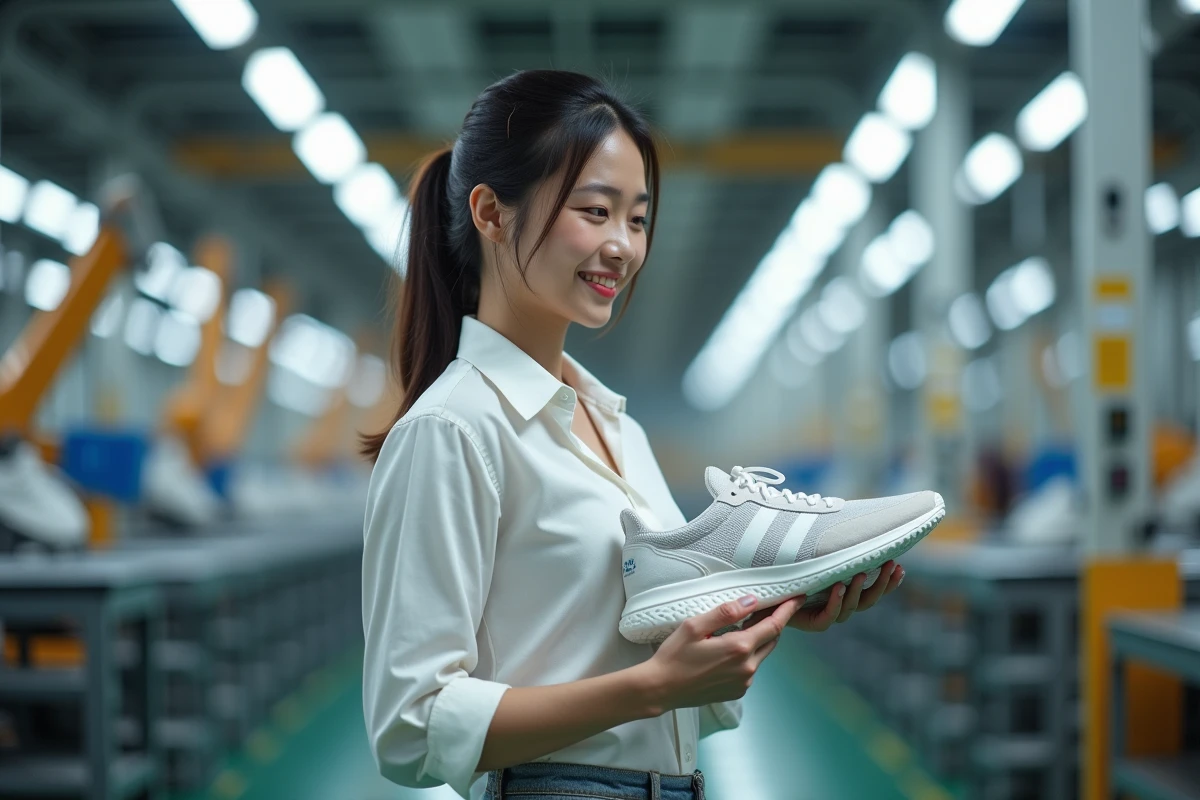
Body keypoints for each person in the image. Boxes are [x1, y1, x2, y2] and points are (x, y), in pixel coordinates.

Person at [359, 69, 905, 800]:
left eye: (638, 220)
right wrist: (650, 689)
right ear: (490, 213)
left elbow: (639, 643)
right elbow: (411, 725)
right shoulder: (452, 429)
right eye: (595, 211)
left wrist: (765, 610)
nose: (622, 246)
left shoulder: (621, 430)